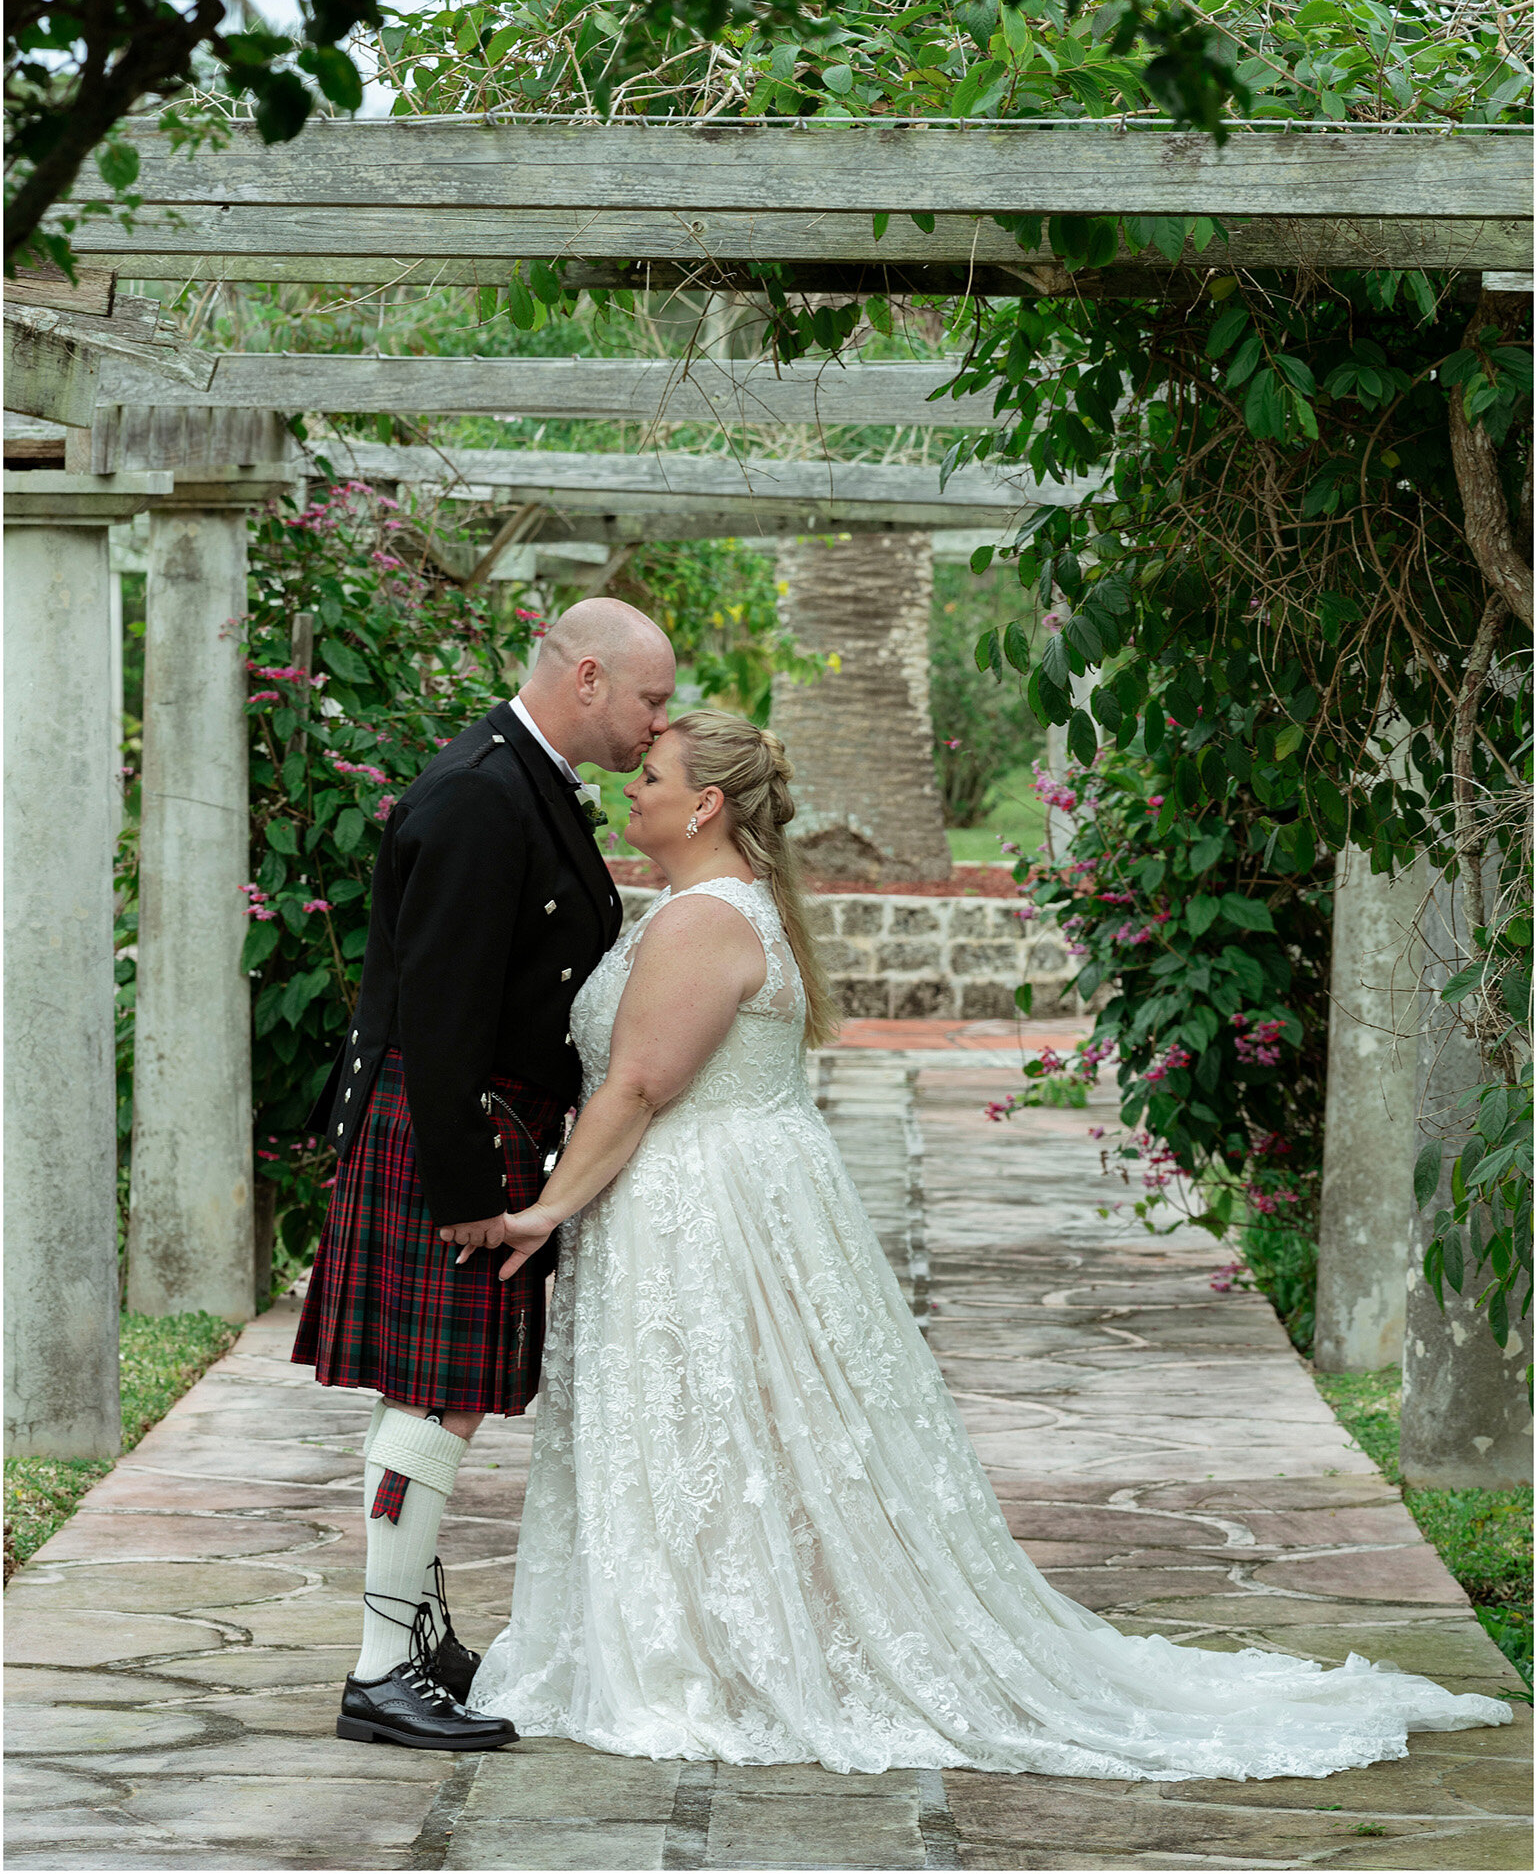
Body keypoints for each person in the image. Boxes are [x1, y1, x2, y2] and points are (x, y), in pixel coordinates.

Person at [461, 709, 1512, 1777]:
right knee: (731, 1432)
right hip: (723, 1189)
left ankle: (721, 1651)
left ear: (706, 803)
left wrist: (546, 1208)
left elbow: (641, 1082)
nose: (628, 789)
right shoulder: (704, 905)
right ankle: (718, 1632)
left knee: (729, 1423)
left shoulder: (701, 921)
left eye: (649, 775)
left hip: (702, 1199)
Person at [293, 597, 675, 1751]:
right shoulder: (479, 791)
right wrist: (470, 1194)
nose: (659, 725)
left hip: (474, 1120)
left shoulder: (525, 777)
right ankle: (377, 1671)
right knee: (434, 1395)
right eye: (652, 699)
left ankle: (409, 1631)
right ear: (591, 676)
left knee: (441, 1394)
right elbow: (441, 1011)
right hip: (447, 1129)